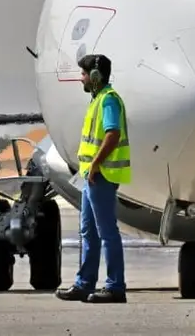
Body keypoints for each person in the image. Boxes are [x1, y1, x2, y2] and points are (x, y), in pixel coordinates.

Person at [55, 53, 130, 304]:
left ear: (95, 77)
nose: (81, 79)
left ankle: (115, 287)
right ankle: (84, 283)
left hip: (102, 175)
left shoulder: (108, 101)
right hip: (91, 176)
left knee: (107, 232)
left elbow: (113, 135)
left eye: (84, 74)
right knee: (88, 231)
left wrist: (96, 164)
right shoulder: (97, 100)